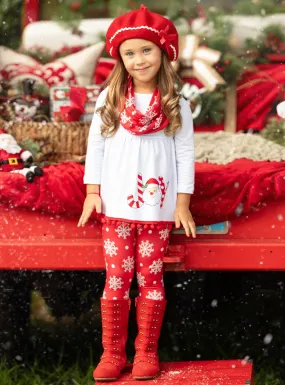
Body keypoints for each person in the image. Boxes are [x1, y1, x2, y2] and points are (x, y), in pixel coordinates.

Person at [78, 4, 196, 382]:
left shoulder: (176, 103)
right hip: (115, 205)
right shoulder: (108, 99)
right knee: (116, 280)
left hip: (157, 208)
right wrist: (92, 191)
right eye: (129, 53)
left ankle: (146, 351)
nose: (139, 59)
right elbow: (95, 146)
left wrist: (182, 202)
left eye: (147, 50)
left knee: (151, 279)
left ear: (163, 53)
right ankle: (112, 352)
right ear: (119, 58)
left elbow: (184, 153)